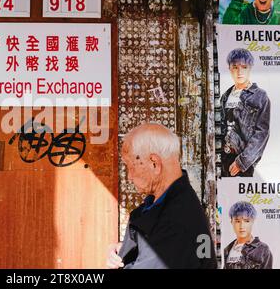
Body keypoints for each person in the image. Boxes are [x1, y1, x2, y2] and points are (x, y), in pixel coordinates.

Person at [106, 123, 217, 269]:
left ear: (154, 164)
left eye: (130, 166)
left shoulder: (177, 219)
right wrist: (124, 249)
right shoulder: (170, 204)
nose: (129, 177)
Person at [220, 48, 270, 177]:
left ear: (250, 68)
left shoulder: (260, 96)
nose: (239, 71)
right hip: (222, 158)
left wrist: (242, 162)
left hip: (242, 162)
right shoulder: (225, 96)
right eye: (235, 67)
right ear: (230, 68)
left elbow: (262, 134)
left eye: (244, 67)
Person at [224, 201, 273, 269]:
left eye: (246, 221)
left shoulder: (262, 249)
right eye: (237, 221)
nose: (242, 226)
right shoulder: (227, 250)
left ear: (252, 222)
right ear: (232, 222)